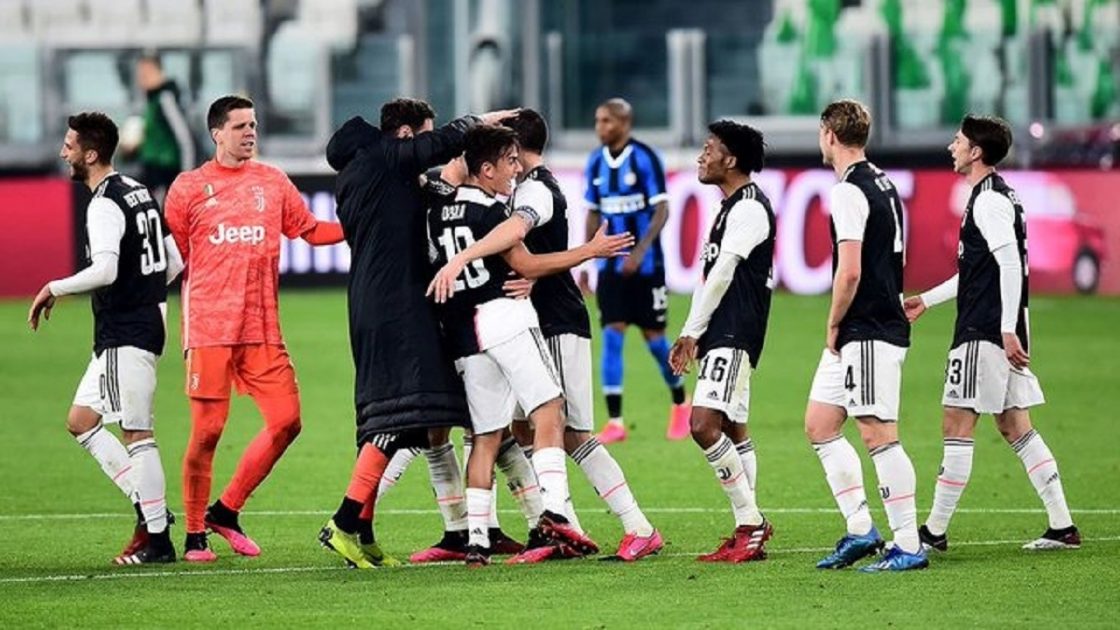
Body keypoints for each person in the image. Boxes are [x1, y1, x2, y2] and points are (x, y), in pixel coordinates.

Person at [429, 109, 661, 562]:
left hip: (555, 321)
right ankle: (552, 529)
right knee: (520, 428)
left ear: (515, 148)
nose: (512, 166)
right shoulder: (502, 192)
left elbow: (516, 235)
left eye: (512, 155)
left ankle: (632, 525)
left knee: (569, 430)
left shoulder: (536, 189)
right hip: (516, 320)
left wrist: (464, 259)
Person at [315, 98, 516, 569]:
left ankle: (363, 533)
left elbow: (429, 193)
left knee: (399, 417)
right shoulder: (382, 157)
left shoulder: (371, 173)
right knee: (397, 416)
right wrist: (478, 124)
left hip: (376, 302)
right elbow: (437, 148)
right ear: (406, 135)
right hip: (395, 305)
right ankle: (343, 523)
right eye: (424, 134)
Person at [164, 95, 346, 563]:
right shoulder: (188, 188)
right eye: (240, 126)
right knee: (208, 432)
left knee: (287, 421)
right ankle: (195, 534)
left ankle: (226, 511)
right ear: (217, 133)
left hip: (262, 327)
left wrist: (360, 224)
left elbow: (310, 231)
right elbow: (173, 257)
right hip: (210, 328)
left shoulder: (272, 181)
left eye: (254, 125)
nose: (250, 133)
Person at [906, 114, 1080, 552]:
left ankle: (934, 532)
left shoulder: (988, 201)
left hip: (985, 330)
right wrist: (927, 300)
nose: (952, 147)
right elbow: (977, 271)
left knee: (956, 422)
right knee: (1015, 424)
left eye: (958, 141)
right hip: (1001, 327)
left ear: (976, 152)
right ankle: (1062, 526)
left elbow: (1008, 266)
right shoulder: (995, 196)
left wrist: (1004, 329)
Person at [29, 111, 184, 564]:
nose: (64, 152)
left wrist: (54, 287)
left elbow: (106, 270)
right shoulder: (137, 190)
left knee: (138, 433)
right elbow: (173, 261)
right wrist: (146, 294)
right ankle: (149, 508)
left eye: (70, 146)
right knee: (81, 420)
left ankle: (158, 541)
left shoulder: (102, 204)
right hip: (142, 324)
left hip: (124, 331)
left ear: (91, 154)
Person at [804, 99, 927, 572]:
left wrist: (834, 321)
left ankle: (908, 544)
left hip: (867, 327)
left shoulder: (848, 190)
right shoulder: (883, 182)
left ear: (829, 135)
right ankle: (861, 529)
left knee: (877, 432)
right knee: (820, 423)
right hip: (868, 326)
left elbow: (850, 270)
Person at [668, 120, 775, 563]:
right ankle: (747, 528)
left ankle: (751, 523)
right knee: (733, 428)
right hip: (723, 330)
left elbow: (724, 273)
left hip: (734, 330)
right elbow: (710, 278)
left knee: (702, 426)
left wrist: (692, 331)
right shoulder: (730, 207)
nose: (701, 155)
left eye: (709, 148)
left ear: (730, 160)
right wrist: (695, 328)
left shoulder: (749, 208)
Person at [582, 98, 689, 443]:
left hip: (647, 269)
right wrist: (586, 259)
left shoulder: (644, 157)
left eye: (606, 121)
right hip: (610, 268)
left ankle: (680, 403)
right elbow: (592, 212)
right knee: (612, 336)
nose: (600, 127)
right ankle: (615, 422)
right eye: (598, 121)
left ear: (624, 123)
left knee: (655, 340)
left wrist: (640, 252)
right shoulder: (595, 161)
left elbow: (662, 210)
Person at [124, 52, 195, 202]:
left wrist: (186, 180)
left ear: (159, 72)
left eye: (146, 73)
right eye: (140, 75)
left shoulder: (165, 100)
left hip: (166, 176)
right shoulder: (150, 102)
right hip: (151, 174)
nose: (142, 79)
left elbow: (185, 139)